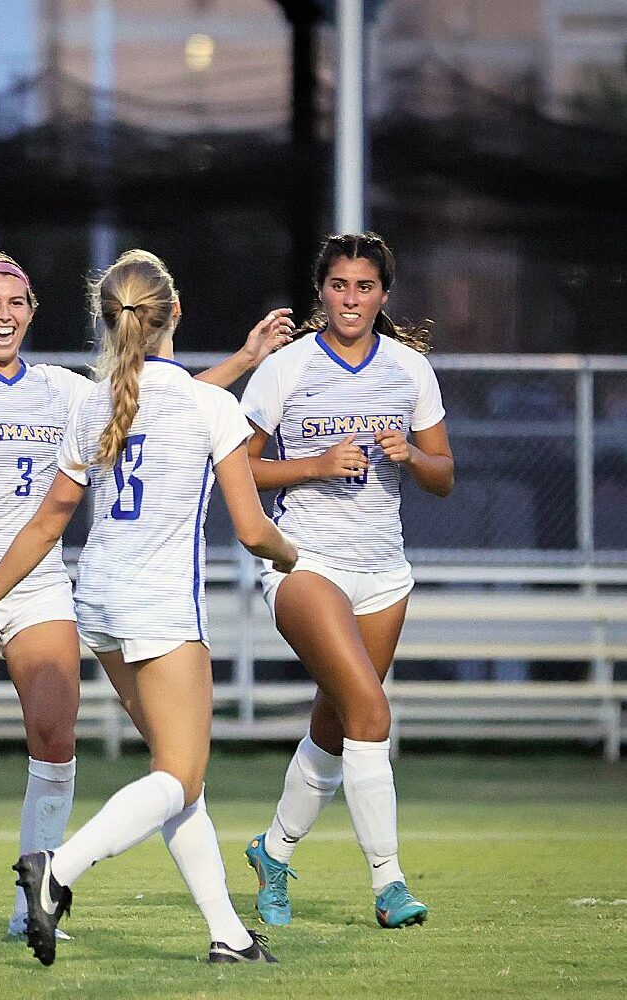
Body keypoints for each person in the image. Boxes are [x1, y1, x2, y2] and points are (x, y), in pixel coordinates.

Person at [0, 248, 294, 938]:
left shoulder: (64, 389)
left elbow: (156, 403)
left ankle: (28, 908)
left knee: (54, 745)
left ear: (32, 312)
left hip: (41, 588)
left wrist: (242, 360)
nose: (4, 314)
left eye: (16, 302)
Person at [238, 232, 454, 930]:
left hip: (384, 573)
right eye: (339, 286)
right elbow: (237, 472)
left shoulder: (410, 370)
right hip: (305, 562)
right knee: (371, 712)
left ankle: (273, 851)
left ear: (383, 294)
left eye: (364, 287)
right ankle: (389, 883)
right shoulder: (287, 367)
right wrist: (315, 465)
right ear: (321, 291)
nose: (351, 299)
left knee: (337, 727)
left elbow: (444, 475)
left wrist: (413, 455)